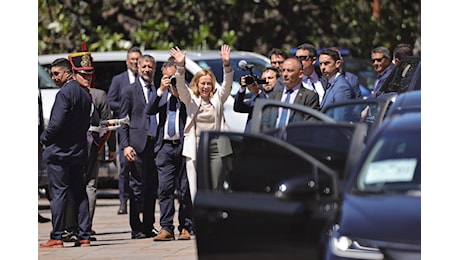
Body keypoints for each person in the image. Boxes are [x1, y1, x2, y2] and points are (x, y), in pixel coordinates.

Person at [39, 51, 94, 248]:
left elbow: (55, 124)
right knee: (79, 194)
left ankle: (57, 236)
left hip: (59, 153)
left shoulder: (65, 93)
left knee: (59, 194)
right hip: (77, 152)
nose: (54, 78)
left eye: (56, 74)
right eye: (52, 74)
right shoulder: (85, 94)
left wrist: (43, 138)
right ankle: (84, 235)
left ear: (68, 73)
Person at [170, 44, 234, 202]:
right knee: (196, 188)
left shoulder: (218, 98)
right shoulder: (190, 98)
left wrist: (226, 64)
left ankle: (214, 221)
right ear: (197, 84)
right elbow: (180, 85)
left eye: (208, 83)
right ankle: (200, 222)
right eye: (202, 83)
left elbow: (227, 85)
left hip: (216, 146)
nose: (206, 86)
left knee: (215, 186)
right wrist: (180, 66)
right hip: (195, 145)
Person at [145, 58, 194, 241]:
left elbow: (191, 107)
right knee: (164, 189)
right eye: (167, 77)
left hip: (183, 145)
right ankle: (166, 227)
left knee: (184, 189)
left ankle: (185, 226)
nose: (170, 80)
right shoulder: (161, 93)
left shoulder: (187, 90)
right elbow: (149, 110)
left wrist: (178, 89)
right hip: (164, 146)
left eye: (173, 76)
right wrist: (161, 90)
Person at [119, 54, 159, 239]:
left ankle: (148, 225)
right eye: (143, 66)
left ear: (154, 69)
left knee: (152, 187)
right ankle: (136, 228)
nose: (147, 70)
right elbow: (123, 121)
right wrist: (125, 145)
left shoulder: (159, 89)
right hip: (136, 144)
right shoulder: (129, 91)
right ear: (138, 68)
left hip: (155, 144)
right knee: (136, 188)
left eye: (150, 66)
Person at [108, 46, 142, 215]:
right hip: (125, 127)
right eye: (132, 59)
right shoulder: (118, 80)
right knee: (124, 167)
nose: (135, 62)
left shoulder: (146, 79)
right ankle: (123, 201)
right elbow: (110, 100)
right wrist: (126, 105)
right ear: (127, 61)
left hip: (142, 129)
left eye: (137, 59)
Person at [262, 57, 320, 130]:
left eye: (289, 71)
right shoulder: (274, 95)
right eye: (283, 70)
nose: (285, 74)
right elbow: (265, 122)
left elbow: (309, 125)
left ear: (301, 74)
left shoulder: (309, 97)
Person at [233, 67, 280, 132]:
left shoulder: (281, 96)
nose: (267, 81)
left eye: (270, 78)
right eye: (264, 79)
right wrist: (242, 88)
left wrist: (258, 92)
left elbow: (268, 108)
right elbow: (238, 107)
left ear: (278, 80)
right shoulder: (256, 97)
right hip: (251, 139)